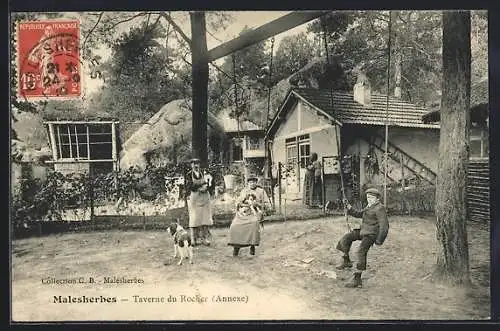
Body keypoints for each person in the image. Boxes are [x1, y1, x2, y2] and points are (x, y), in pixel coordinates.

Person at [334, 187, 389, 288]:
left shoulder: (380, 208)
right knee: (347, 237)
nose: (369, 199)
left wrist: (379, 240)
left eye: (372, 198)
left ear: (377, 199)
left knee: (361, 251)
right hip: (364, 231)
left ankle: (357, 278)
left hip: (371, 235)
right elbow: (359, 214)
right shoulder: (369, 206)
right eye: (368, 197)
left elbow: (384, 226)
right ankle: (346, 260)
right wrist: (349, 207)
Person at [185, 158, 214, 246]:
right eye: (193, 164)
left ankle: (204, 238)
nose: (195, 165)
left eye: (197, 163)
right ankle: (193, 239)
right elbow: (189, 186)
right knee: (194, 218)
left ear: (199, 165)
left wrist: (207, 188)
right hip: (195, 197)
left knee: (205, 218)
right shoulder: (189, 175)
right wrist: (200, 186)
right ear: (191, 165)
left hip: (205, 197)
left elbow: (211, 183)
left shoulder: (205, 173)